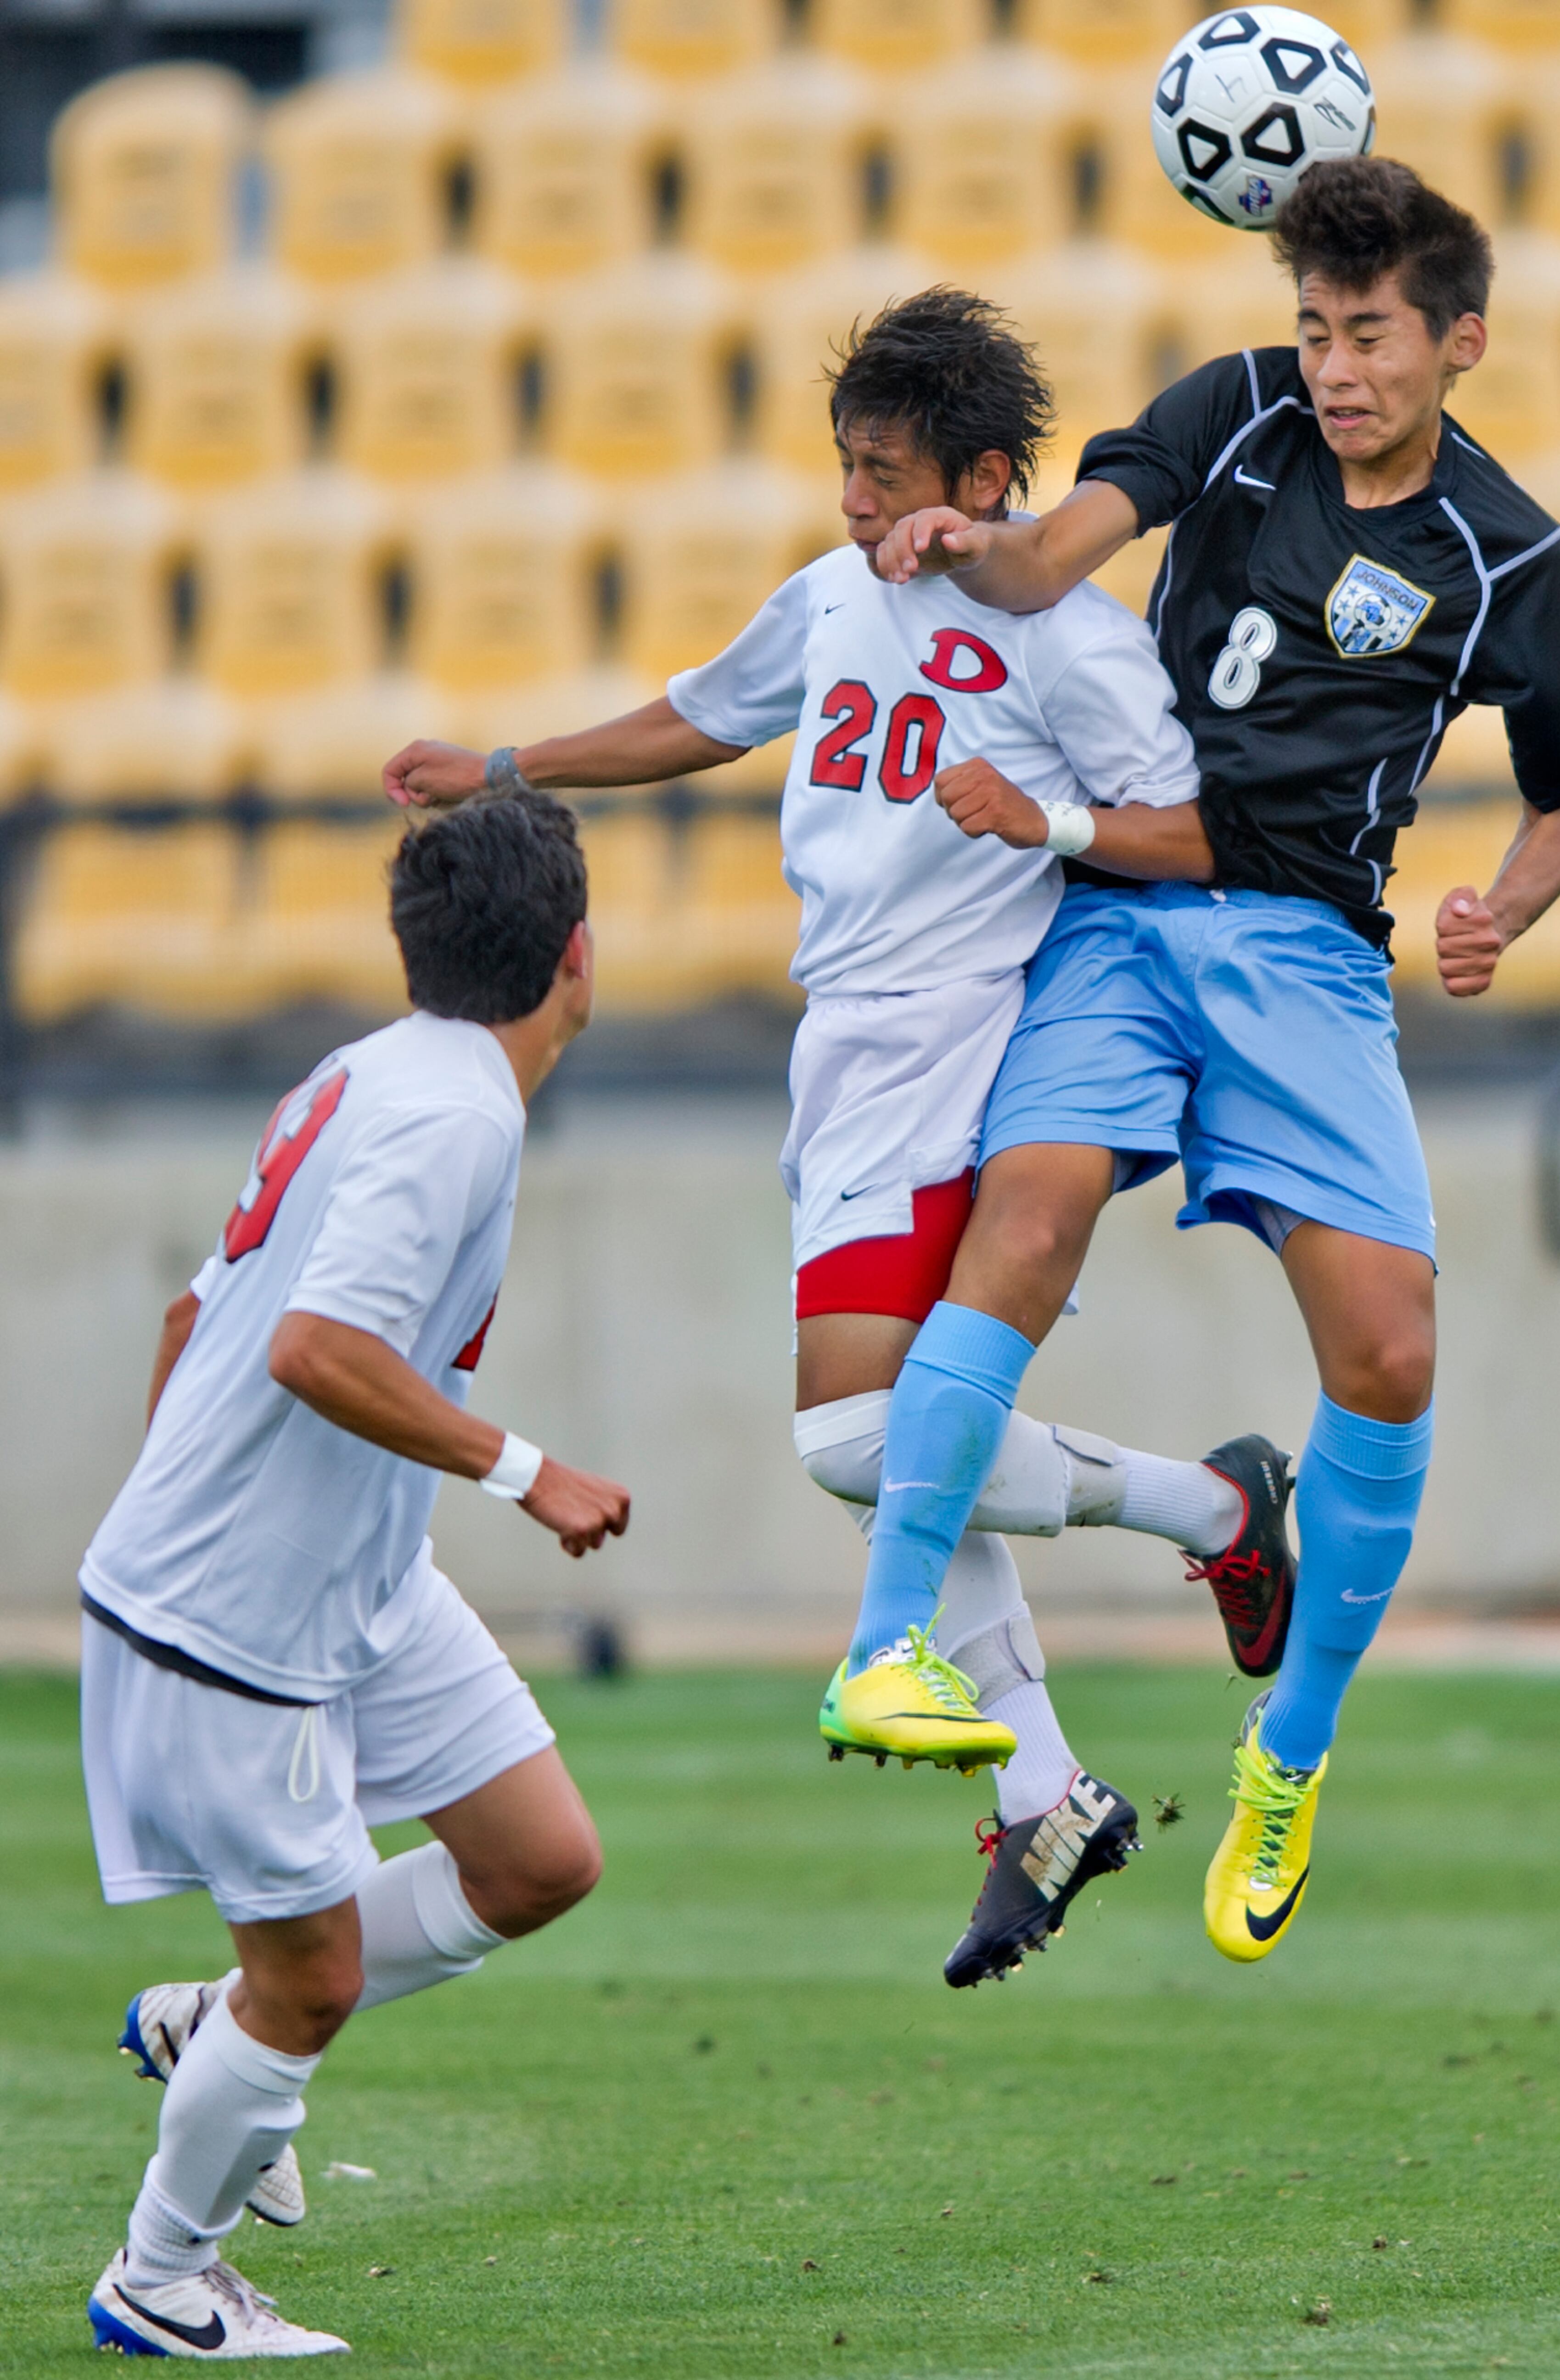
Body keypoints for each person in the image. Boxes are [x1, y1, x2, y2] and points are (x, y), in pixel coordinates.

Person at [381, 289, 1298, 1989]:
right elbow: (701, 715)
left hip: (965, 1045)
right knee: (914, 1442)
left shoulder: (1069, 639)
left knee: (854, 1440)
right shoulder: (827, 598)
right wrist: (505, 766)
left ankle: (1197, 1521)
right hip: (849, 1048)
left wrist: (1052, 823)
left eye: (887, 478)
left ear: (992, 478)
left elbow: (1197, 832)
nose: (861, 509)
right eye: (847, 474)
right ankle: (1056, 1777)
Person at [859, 160, 1560, 1964]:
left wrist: (1500, 906)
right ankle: (887, 1639)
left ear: (1460, 342)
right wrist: (981, 550)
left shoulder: (1514, 558)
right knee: (1020, 1228)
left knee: (1393, 1349)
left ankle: (1292, 1749)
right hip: (1115, 901)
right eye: (1316, 330)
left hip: (1304, 956)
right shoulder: (1236, 411)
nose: (1335, 367)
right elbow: (1060, 552)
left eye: (1370, 335)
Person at [84, 790, 631, 2358]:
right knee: (313, 1977)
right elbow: (315, 1345)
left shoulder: (366, 1068)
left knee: (537, 1856)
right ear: (577, 958)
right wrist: (528, 1472)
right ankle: (163, 2275)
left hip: (357, 1577)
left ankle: (210, 2022)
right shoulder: (453, 1114)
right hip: (238, 1609)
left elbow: (197, 1322)